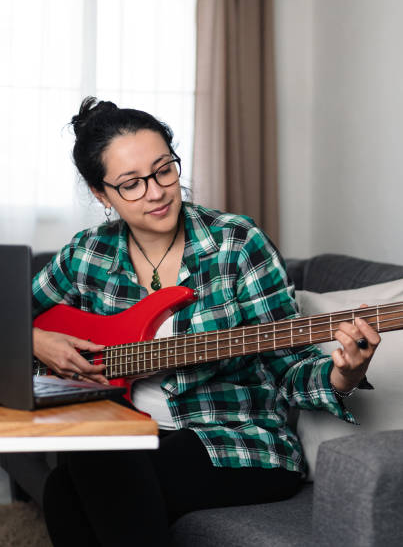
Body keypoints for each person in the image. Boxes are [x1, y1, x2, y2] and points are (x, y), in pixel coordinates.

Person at [32, 97, 381, 547]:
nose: (156, 192)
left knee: (97, 457)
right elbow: (12, 315)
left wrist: (343, 373)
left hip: (240, 444)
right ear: (101, 195)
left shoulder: (237, 243)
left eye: (163, 170)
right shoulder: (88, 253)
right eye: (131, 184)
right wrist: (36, 339)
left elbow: (288, 369)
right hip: (137, 435)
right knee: (63, 487)